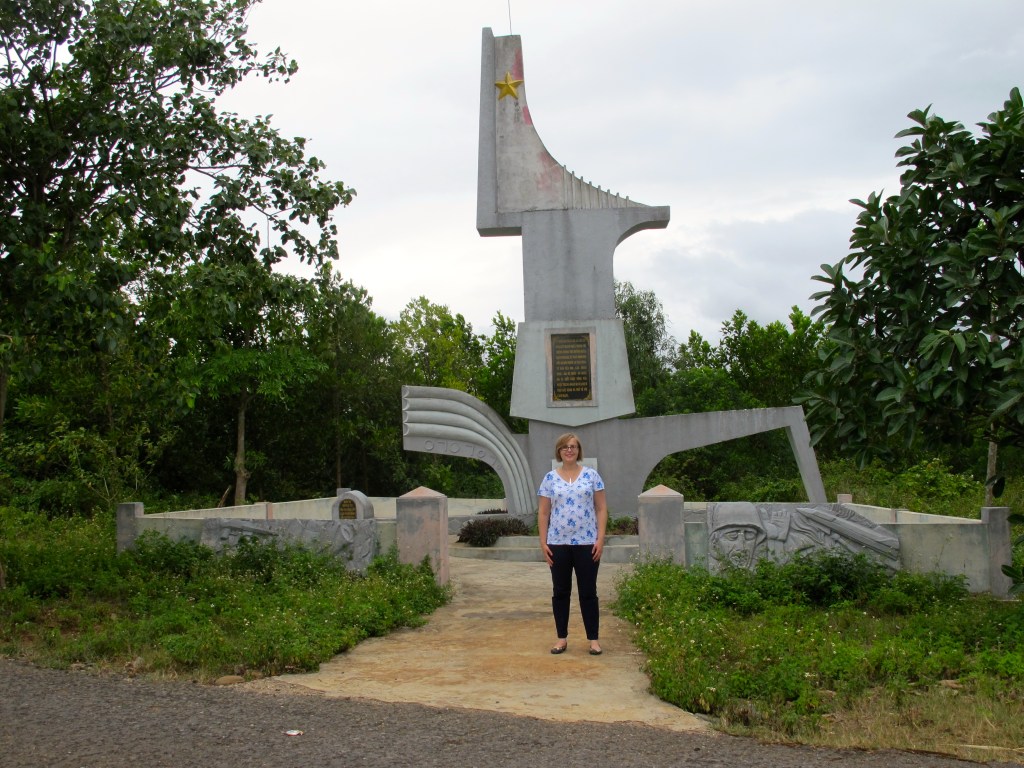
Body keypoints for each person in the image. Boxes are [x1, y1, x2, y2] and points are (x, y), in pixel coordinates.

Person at [537, 432, 608, 656]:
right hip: (558, 543)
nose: (569, 450)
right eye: (565, 447)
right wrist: (543, 542)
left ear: (579, 451)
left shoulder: (592, 476)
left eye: (574, 446)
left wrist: (600, 539)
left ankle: (594, 640)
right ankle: (561, 638)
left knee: (588, 592)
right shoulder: (550, 479)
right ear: (559, 451)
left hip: (587, 543)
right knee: (560, 592)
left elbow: (601, 508)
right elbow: (543, 512)